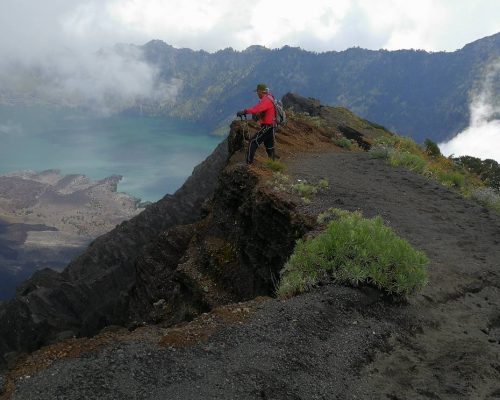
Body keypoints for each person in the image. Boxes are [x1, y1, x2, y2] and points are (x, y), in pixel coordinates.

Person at [237, 83, 276, 164]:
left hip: (268, 126)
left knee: (253, 142)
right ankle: (273, 165)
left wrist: (244, 111)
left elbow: (256, 109)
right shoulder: (269, 97)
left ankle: (248, 164)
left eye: (257, 92)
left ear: (260, 91)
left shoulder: (266, 100)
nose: (257, 94)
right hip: (271, 126)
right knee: (269, 146)